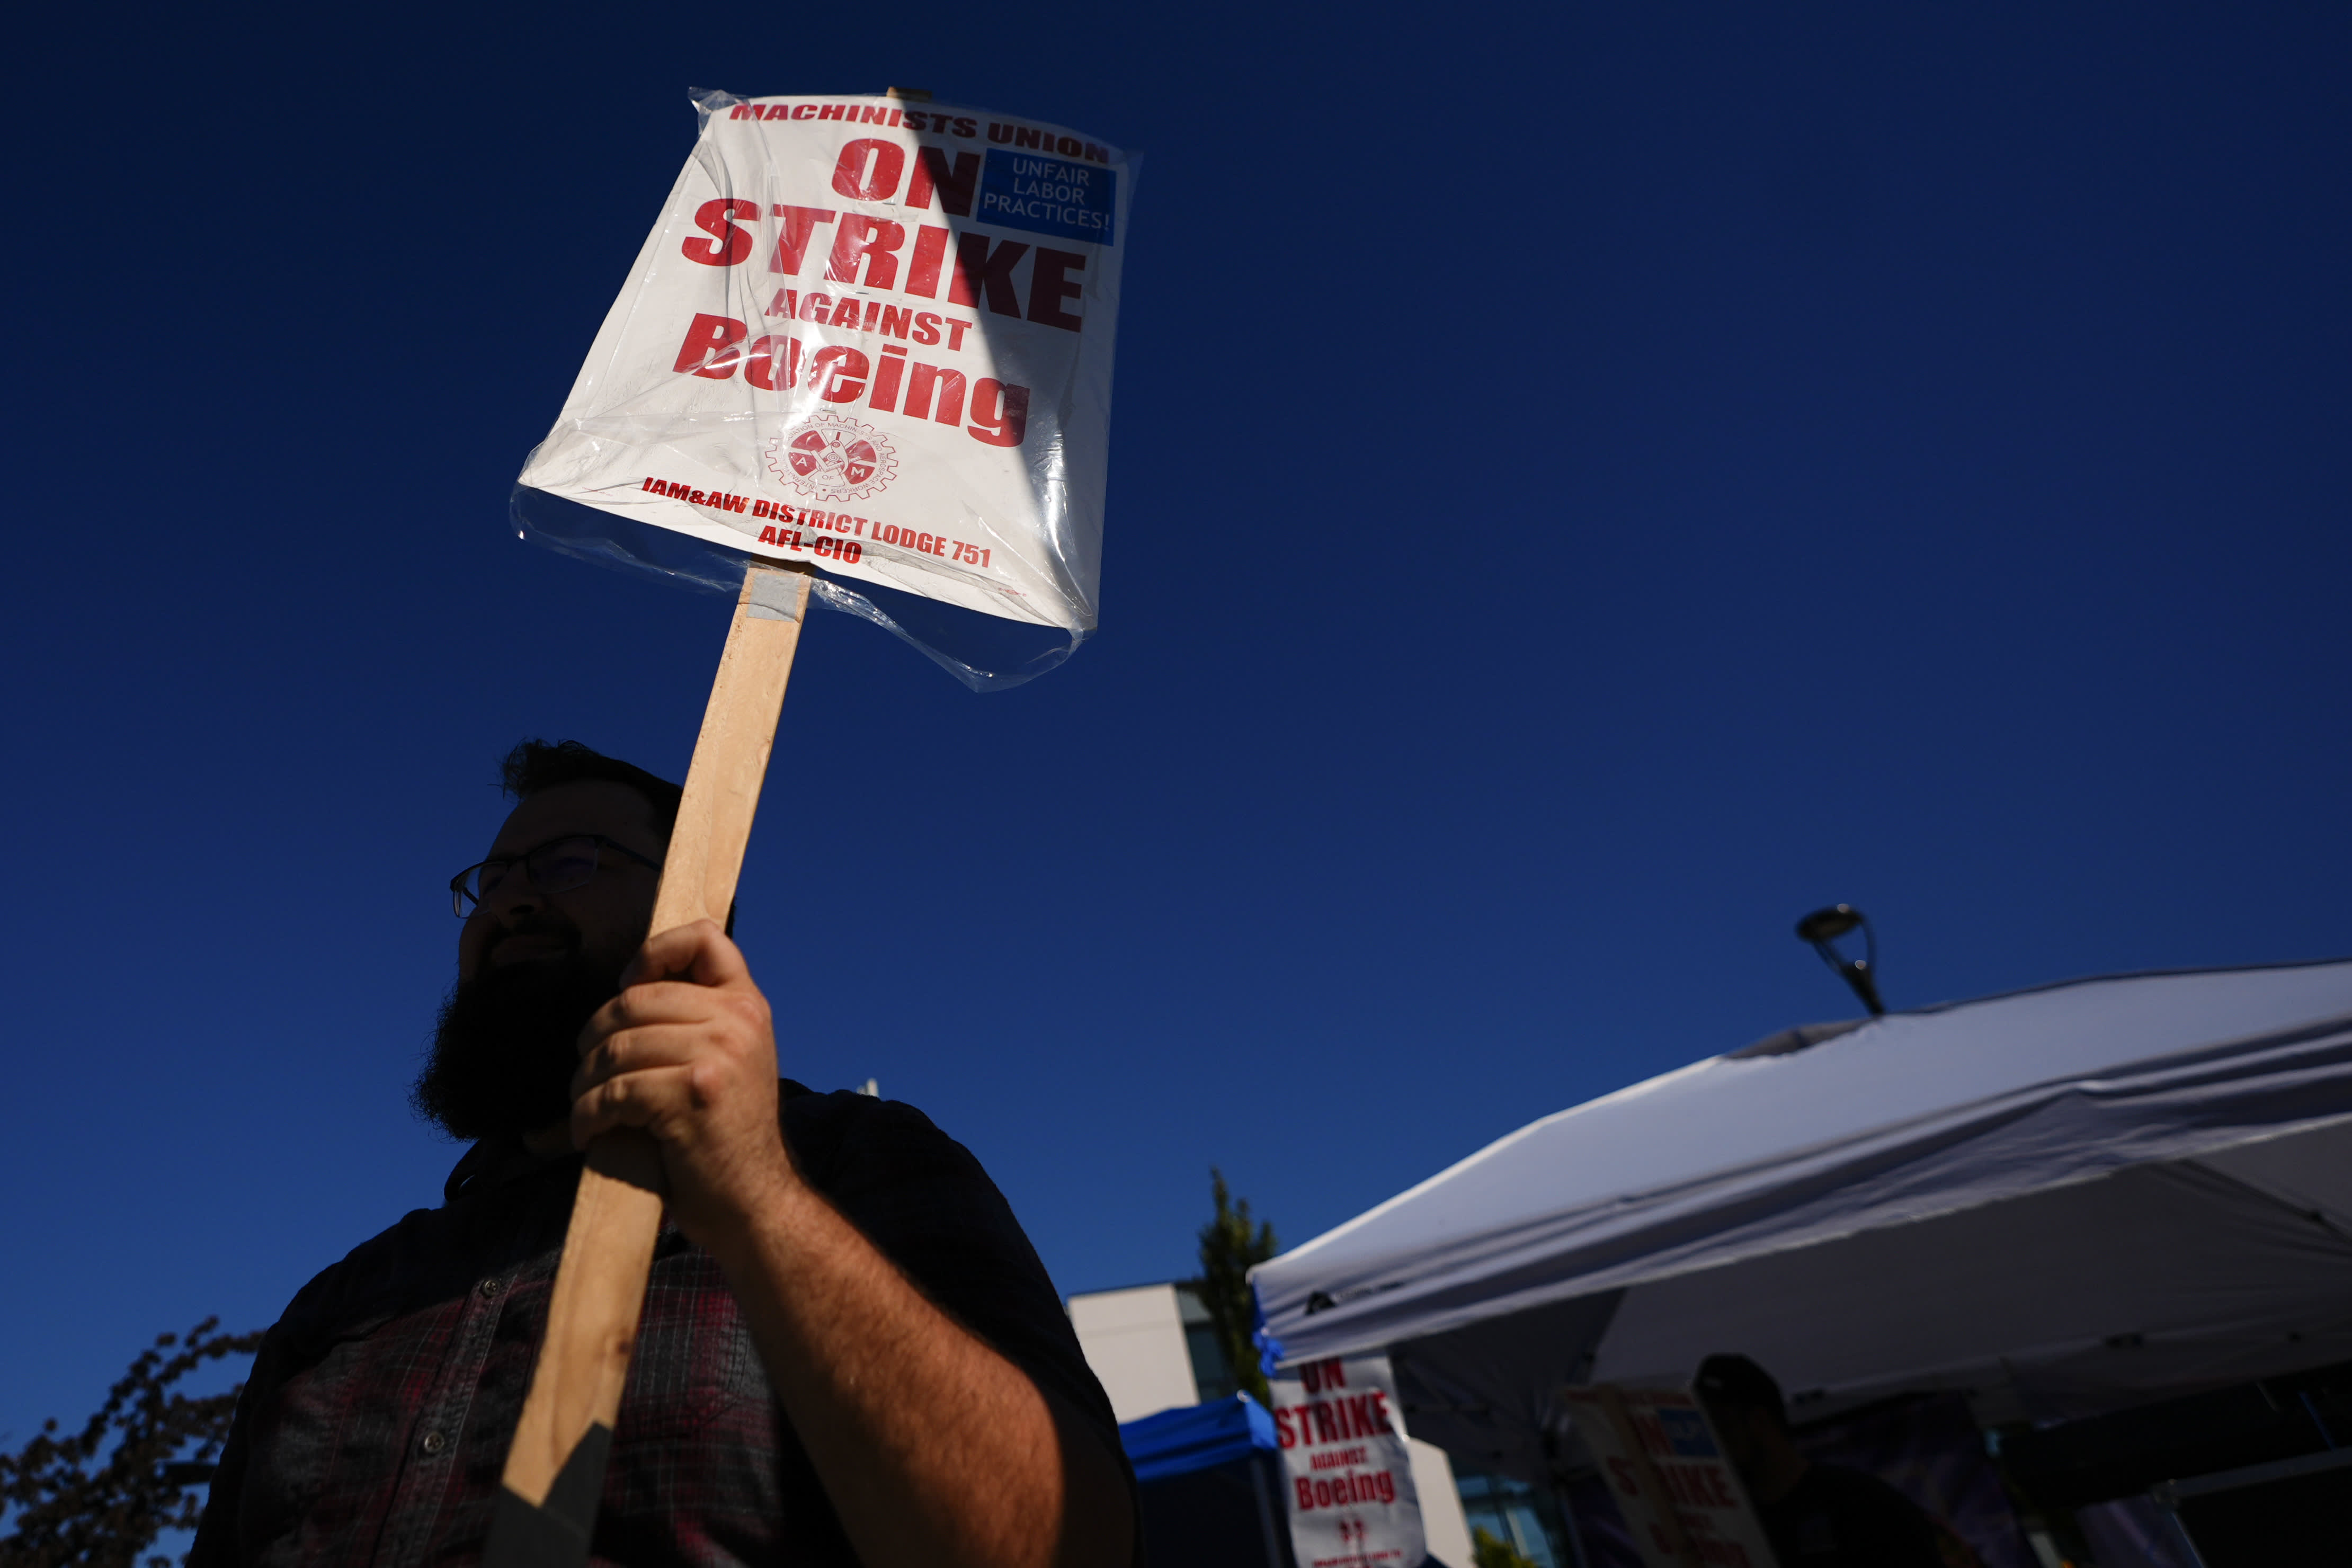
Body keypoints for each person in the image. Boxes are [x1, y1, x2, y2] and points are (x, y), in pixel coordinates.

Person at [192, 740, 1137, 1568]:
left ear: (694, 905)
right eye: (495, 877)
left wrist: (760, 1201)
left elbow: (1070, 1543)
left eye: (568, 863)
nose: (513, 900)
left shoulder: (862, 1165)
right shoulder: (346, 1301)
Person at [1692, 1354, 1943, 1568]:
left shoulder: (1863, 1506)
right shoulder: (1733, 1528)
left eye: (1718, 1427)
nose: (1710, 1445)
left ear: (1758, 1423)